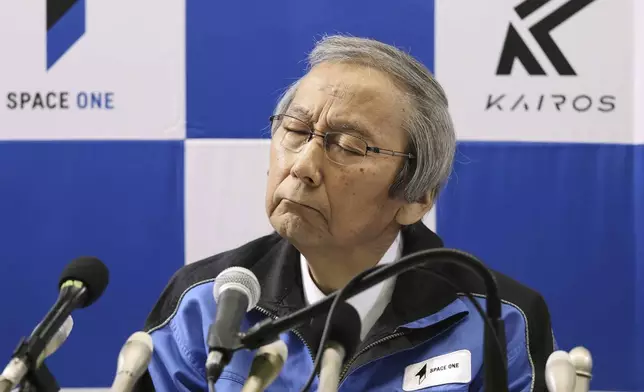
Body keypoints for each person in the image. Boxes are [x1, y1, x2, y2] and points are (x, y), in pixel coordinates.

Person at [136, 35, 555, 391]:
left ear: (417, 197)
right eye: (296, 132)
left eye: (348, 146)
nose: (302, 166)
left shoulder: (497, 321)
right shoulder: (204, 305)